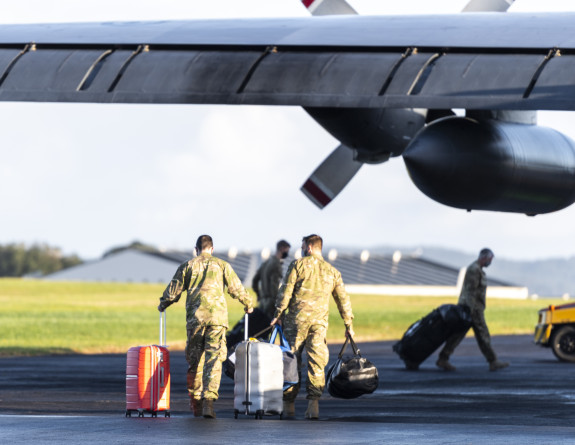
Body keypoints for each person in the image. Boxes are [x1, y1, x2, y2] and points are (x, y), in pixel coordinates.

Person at [157, 234, 253, 419]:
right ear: (212, 248)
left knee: (195, 363)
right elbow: (236, 288)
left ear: (196, 249)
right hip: (217, 320)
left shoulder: (188, 265)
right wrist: (248, 304)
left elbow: (173, 291)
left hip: (196, 322)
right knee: (214, 361)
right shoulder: (222, 265)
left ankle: (196, 404)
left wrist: (163, 304)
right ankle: (209, 402)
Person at [270, 234, 354, 420]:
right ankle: (313, 406)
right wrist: (348, 324)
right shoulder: (332, 271)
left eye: (302, 247)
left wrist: (278, 315)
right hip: (318, 325)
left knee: (291, 361)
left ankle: (288, 405)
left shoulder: (297, 265)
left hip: (295, 324)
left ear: (308, 247)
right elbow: (343, 300)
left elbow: (285, 292)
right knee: (316, 363)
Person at [436, 248, 509, 372]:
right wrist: (469, 311)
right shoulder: (474, 270)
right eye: (489, 259)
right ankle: (493, 361)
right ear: (484, 258)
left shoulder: (477, 270)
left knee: (458, 335)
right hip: (473, 309)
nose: (490, 262)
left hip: (472, 308)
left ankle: (443, 358)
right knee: (483, 334)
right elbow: (471, 291)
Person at [251, 239, 291, 319]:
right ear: (282, 248)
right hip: (271, 303)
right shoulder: (276, 265)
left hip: (262, 302)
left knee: (263, 327)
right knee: (282, 326)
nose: (287, 252)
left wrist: (259, 294)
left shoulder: (266, 262)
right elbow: (274, 287)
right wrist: (278, 304)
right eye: (287, 250)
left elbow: (254, 280)